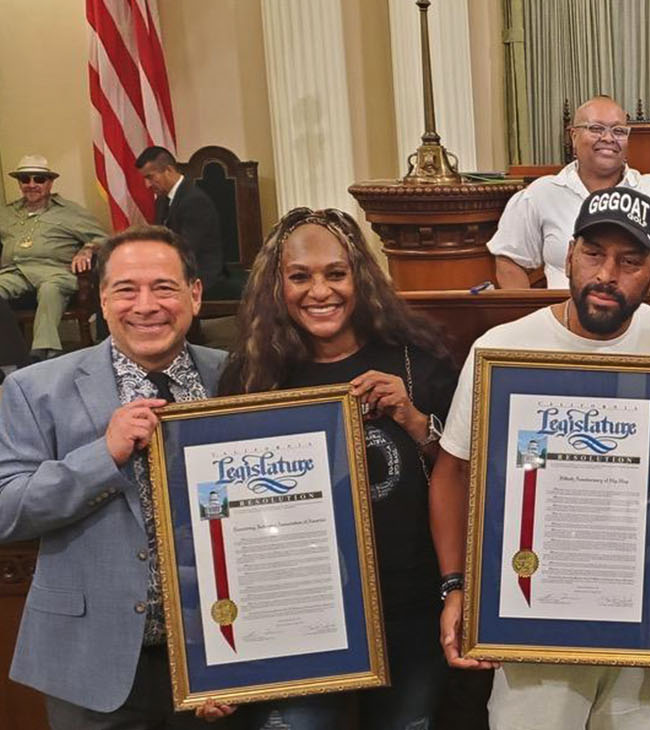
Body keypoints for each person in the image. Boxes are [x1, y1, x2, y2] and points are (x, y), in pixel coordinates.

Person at [432, 187, 650, 728]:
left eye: (630, 262)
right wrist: (456, 585)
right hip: (530, 616)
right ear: (567, 258)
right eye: (593, 254)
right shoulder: (502, 349)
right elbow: (452, 473)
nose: (608, 274)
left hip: (636, 616)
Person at [217, 207, 456, 729]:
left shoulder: (419, 361)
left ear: (361, 278)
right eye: (299, 276)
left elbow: (467, 479)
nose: (318, 291)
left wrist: (414, 419)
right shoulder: (252, 376)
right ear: (276, 287)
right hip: (298, 615)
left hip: (408, 607)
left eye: (335, 273)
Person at [0, 225, 228, 727]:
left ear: (194, 294)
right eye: (126, 289)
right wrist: (102, 455)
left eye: (163, 287)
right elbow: (8, 510)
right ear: (102, 301)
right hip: (90, 666)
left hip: (218, 655)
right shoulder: (33, 389)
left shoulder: (239, 377)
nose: (145, 305)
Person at [489, 96, 650, 288]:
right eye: (596, 128)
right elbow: (509, 260)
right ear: (573, 135)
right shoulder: (541, 193)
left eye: (619, 131)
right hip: (562, 316)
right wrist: (533, 319)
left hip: (640, 316)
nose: (608, 138)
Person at [0, 155, 108, 361]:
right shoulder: (7, 213)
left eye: (39, 179)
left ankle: (43, 352)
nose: (31, 185)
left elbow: (103, 238)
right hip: (16, 272)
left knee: (51, 289)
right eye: (25, 179)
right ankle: (9, 355)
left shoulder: (70, 212)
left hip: (56, 272)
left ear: (50, 182)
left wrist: (87, 249)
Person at [135, 146, 226, 294]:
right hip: (174, 268)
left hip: (200, 274)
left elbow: (186, 250)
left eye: (150, 177)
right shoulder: (161, 201)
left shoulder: (194, 200)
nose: (147, 185)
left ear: (169, 170)